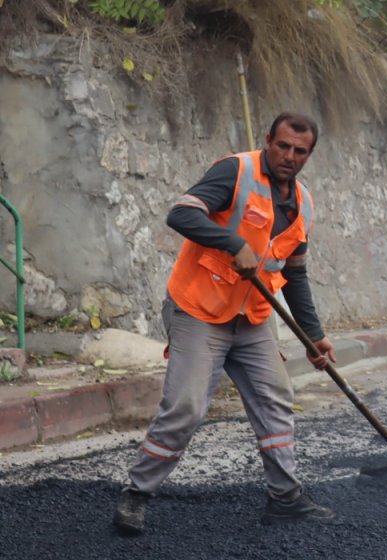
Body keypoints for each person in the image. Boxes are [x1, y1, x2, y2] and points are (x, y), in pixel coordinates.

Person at [113, 112, 339, 535]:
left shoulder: (303, 204)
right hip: (200, 310)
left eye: (300, 151)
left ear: (310, 154)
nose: (289, 156)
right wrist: (232, 242)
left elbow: (295, 274)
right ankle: (137, 495)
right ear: (268, 139)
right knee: (186, 406)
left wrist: (315, 338)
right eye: (283, 145)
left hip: (251, 320)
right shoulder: (236, 171)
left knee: (275, 398)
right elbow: (181, 213)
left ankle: (285, 499)